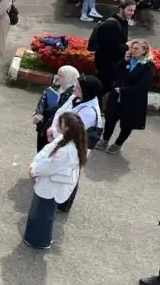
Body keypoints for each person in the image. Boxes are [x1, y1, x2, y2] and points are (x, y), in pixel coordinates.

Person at [23, 112, 87, 250]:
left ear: (67, 128)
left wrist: (34, 169)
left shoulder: (66, 151)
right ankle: (37, 239)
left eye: (61, 123)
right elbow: (47, 152)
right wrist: (36, 164)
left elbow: (48, 167)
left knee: (42, 214)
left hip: (51, 187)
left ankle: (39, 241)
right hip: (51, 184)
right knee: (42, 212)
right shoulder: (69, 140)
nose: (57, 124)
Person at [44, 74, 103, 213]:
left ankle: (64, 204)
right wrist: (52, 129)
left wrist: (54, 134)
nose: (74, 89)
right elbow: (60, 113)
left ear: (86, 91)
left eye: (77, 87)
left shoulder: (89, 112)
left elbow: (70, 132)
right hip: (61, 140)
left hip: (73, 147)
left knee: (70, 175)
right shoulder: (77, 97)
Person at [96, 39, 155, 154]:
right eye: (132, 48)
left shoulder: (148, 65)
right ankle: (105, 139)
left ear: (144, 51)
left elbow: (144, 86)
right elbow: (114, 73)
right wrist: (123, 61)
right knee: (110, 119)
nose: (133, 51)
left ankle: (118, 143)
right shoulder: (127, 60)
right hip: (116, 97)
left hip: (132, 100)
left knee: (127, 124)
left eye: (136, 49)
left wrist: (123, 90)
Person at [91, 0, 135, 96]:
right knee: (102, 90)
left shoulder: (123, 22)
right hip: (106, 64)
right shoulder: (112, 25)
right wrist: (127, 46)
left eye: (133, 10)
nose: (132, 13)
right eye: (129, 10)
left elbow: (121, 41)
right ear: (121, 9)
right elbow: (112, 48)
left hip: (113, 63)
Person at [32, 65, 80, 153]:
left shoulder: (73, 92)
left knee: (49, 151)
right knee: (40, 149)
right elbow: (44, 96)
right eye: (58, 74)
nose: (57, 77)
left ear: (69, 77)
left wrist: (44, 112)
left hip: (54, 125)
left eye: (61, 76)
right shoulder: (57, 85)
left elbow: (61, 107)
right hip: (43, 122)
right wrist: (39, 112)